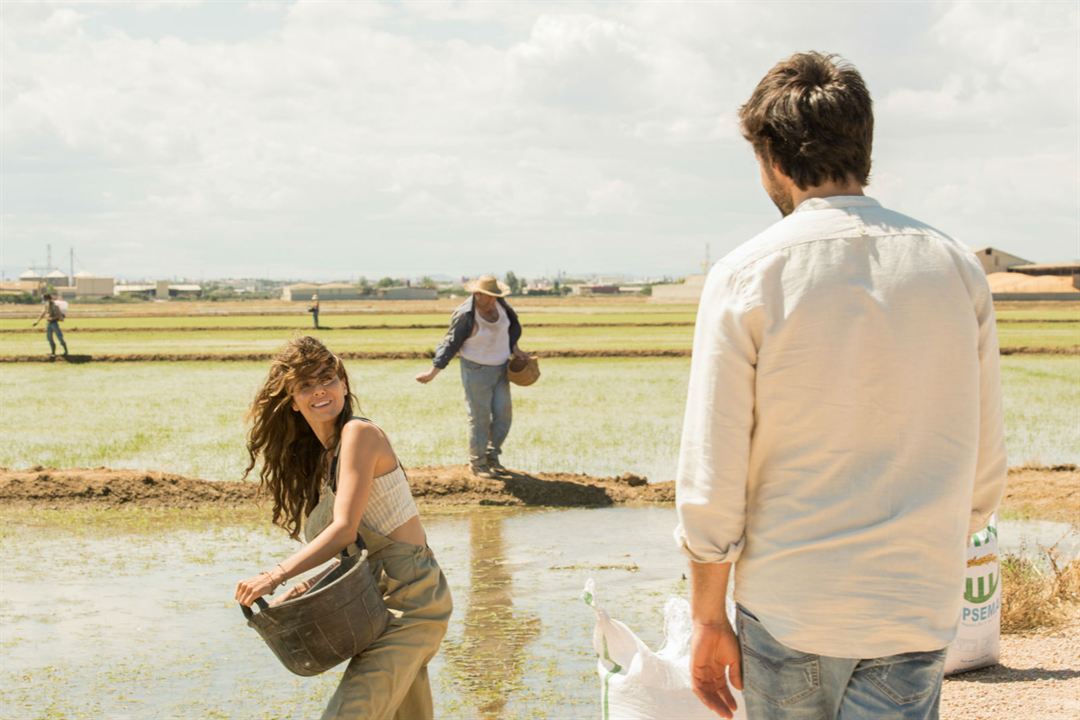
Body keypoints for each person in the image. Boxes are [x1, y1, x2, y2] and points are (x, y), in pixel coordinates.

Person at [675, 52, 1007, 720]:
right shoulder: (954, 268)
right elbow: (984, 465)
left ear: (770, 159)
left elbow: (713, 476)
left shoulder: (747, 273)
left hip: (794, 606)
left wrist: (708, 618)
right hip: (914, 603)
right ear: (866, 148)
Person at [234, 336, 452, 720]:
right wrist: (302, 589)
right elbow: (356, 553)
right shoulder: (325, 460)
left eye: (328, 378)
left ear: (344, 384)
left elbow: (345, 530)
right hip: (372, 605)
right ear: (292, 400)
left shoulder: (359, 435)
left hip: (412, 604)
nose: (320, 389)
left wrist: (276, 576)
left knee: (347, 714)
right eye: (305, 385)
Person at [414, 275, 527, 479]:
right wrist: (432, 373)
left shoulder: (501, 305)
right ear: (477, 294)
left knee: (504, 416)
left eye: (495, 296)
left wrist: (516, 349)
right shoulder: (465, 314)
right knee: (480, 417)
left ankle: (492, 457)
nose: (493, 300)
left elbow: (509, 329)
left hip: (501, 369)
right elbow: (450, 344)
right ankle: (478, 464)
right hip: (476, 371)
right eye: (489, 296)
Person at [31, 293, 68, 358]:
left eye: (44, 298)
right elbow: (43, 313)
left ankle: (66, 351)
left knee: (60, 338)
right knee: (49, 338)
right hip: (48, 323)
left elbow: (58, 315)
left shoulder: (55, 305)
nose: (43, 300)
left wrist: (52, 318)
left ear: (47, 298)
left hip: (54, 323)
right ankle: (53, 352)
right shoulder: (46, 305)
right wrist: (37, 321)